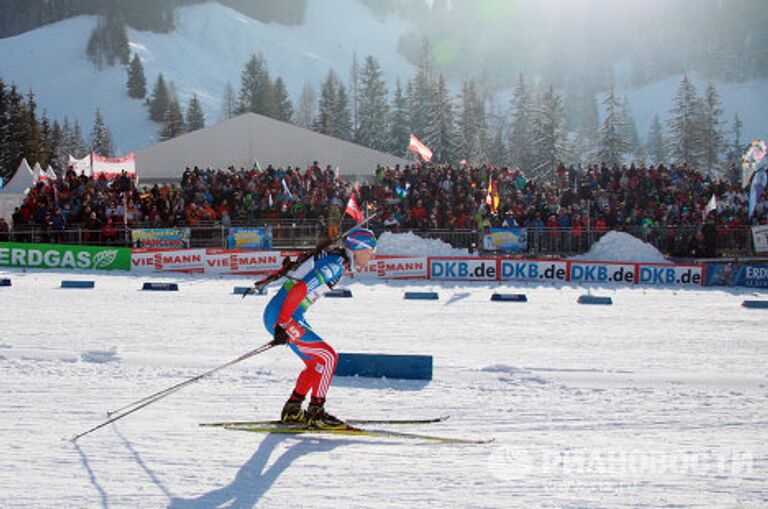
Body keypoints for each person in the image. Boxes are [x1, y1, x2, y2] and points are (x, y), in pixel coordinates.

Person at [262, 228, 377, 429]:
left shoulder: (337, 261)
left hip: (286, 314)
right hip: (284, 315)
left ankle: (293, 409)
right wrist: (283, 323)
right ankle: (316, 411)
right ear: (358, 249)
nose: (373, 256)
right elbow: (300, 289)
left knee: (316, 363)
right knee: (328, 357)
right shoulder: (334, 265)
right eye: (371, 250)